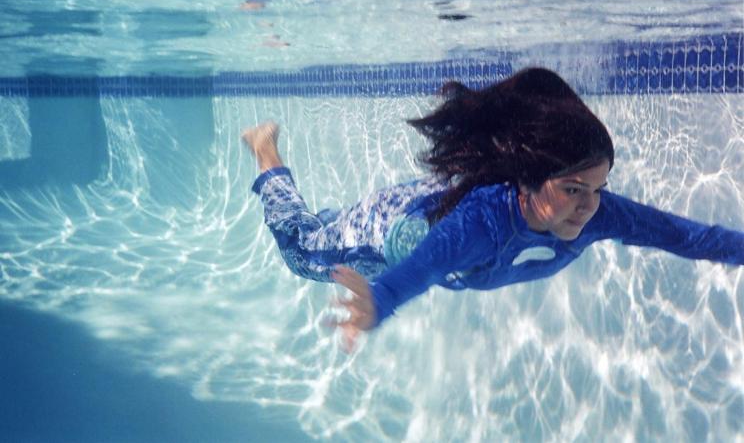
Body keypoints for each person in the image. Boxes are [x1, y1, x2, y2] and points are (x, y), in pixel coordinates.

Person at [242, 68, 744, 350]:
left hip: (443, 208)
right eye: (573, 189)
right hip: (388, 232)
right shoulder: (483, 225)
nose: (590, 206)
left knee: (321, 236)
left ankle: (327, 216)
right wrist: (381, 300)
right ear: (528, 181)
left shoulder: (599, 212)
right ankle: (266, 151)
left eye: (599, 187)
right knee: (303, 252)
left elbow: (689, 238)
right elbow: (427, 263)